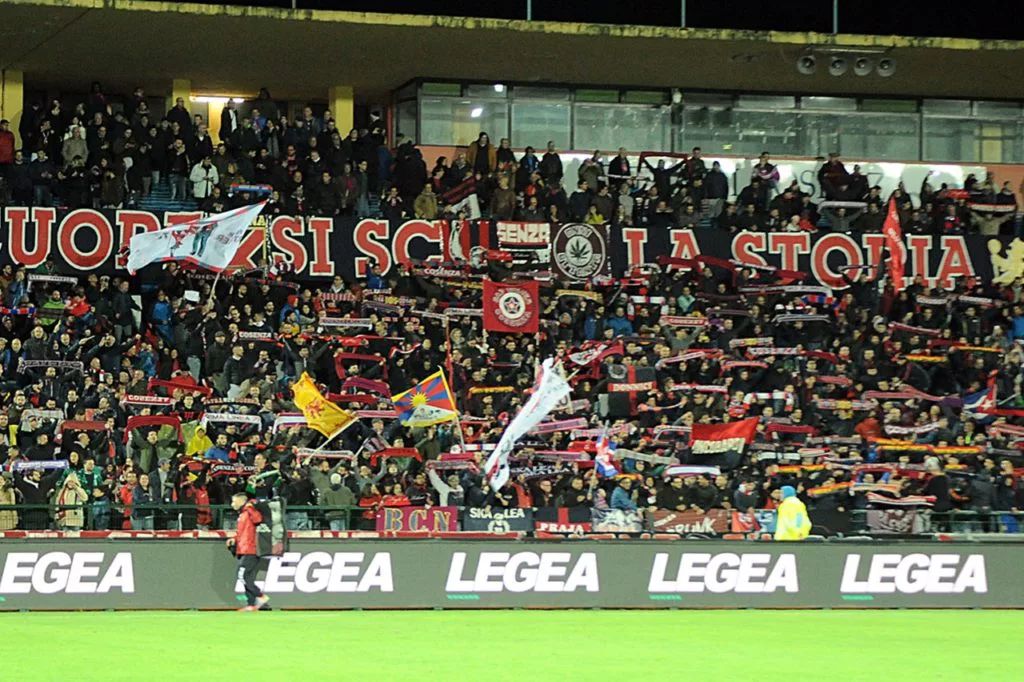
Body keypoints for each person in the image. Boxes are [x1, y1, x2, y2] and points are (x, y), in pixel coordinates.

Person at [226, 492, 270, 612]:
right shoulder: (242, 514)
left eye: (234, 501)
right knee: (247, 577)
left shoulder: (249, 511)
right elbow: (241, 533)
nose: (232, 504)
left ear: (241, 501)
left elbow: (258, 519)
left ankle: (261, 596)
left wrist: (250, 507)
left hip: (251, 549)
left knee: (242, 575)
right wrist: (234, 540)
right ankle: (251, 604)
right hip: (243, 548)